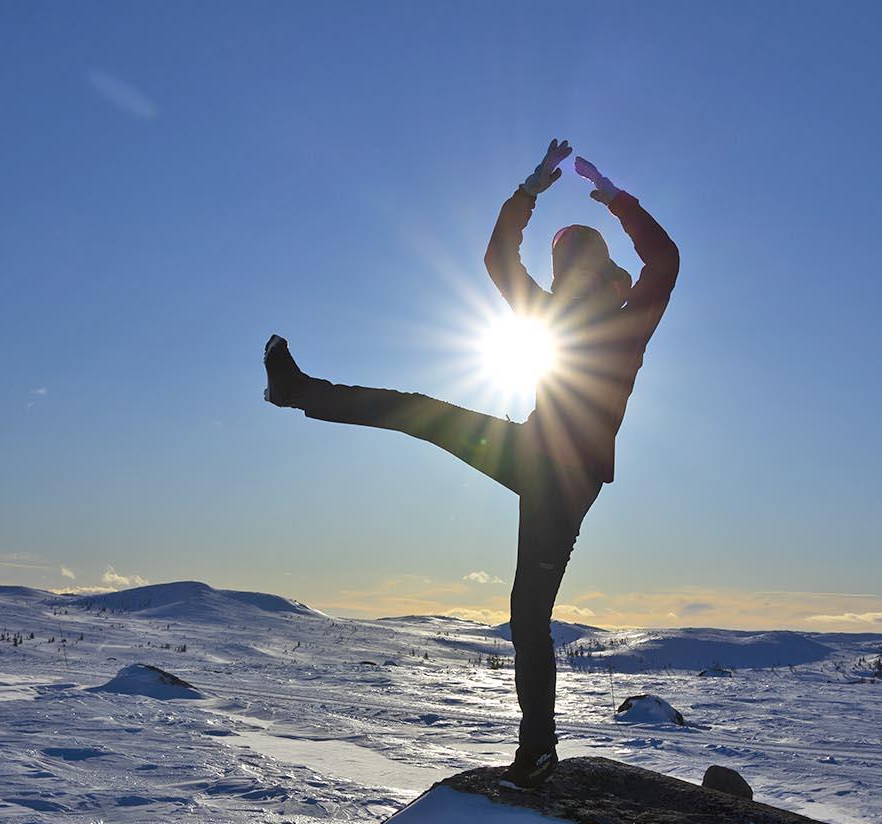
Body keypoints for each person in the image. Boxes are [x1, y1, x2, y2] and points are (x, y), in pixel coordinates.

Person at [263, 138, 679, 786]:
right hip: (532, 451)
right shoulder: (551, 315)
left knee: (528, 616)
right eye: (558, 264)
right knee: (416, 410)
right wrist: (531, 189)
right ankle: (295, 391)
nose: (560, 276)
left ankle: (538, 753)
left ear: (594, 270)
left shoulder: (630, 320)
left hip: (564, 480)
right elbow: (497, 258)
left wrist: (618, 199)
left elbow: (666, 257)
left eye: (571, 263)